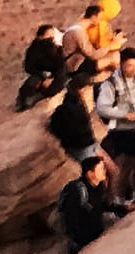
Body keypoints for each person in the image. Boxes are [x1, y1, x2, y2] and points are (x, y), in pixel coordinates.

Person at [47, 62, 121, 196]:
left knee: (114, 172)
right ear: (81, 90)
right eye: (88, 89)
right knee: (103, 179)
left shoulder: (74, 104)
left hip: (89, 145)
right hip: (83, 148)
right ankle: (107, 206)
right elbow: (71, 130)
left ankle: (111, 203)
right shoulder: (71, 110)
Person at [96, 47, 135, 199]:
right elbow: (103, 109)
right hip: (121, 132)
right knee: (123, 166)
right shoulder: (110, 84)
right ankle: (116, 199)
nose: (134, 69)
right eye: (130, 65)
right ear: (121, 63)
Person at [57, 155, 130, 254]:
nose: (104, 171)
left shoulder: (98, 186)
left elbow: (103, 205)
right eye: (101, 168)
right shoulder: (77, 190)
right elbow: (73, 218)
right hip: (81, 240)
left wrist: (124, 208)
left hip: (95, 233)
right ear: (90, 173)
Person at [15, 24, 68, 111]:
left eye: (52, 36)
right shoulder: (33, 50)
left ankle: (38, 96)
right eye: (48, 36)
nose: (50, 39)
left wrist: (51, 78)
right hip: (39, 74)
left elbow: (60, 65)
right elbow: (29, 66)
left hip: (54, 77)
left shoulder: (56, 49)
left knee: (61, 79)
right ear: (40, 37)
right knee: (31, 83)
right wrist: (43, 77)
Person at [61, 4, 122, 73]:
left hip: (79, 60)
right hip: (73, 66)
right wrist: (111, 45)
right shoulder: (78, 33)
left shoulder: (78, 26)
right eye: (99, 18)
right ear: (93, 17)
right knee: (110, 59)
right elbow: (93, 55)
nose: (100, 20)